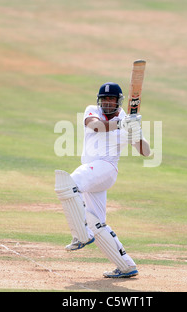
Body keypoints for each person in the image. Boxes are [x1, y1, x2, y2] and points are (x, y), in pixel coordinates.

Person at [55, 82, 150, 278]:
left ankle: (81, 235)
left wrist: (137, 134)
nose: (107, 102)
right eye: (104, 99)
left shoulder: (127, 120)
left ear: (118, 101)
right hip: (93, 174)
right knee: (96, 221)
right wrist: (122, 124)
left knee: (69, 184)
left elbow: (145, 152)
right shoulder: (92, 111)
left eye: (111, 99)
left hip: (105, 168)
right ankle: (125, 266)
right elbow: (96, 126)